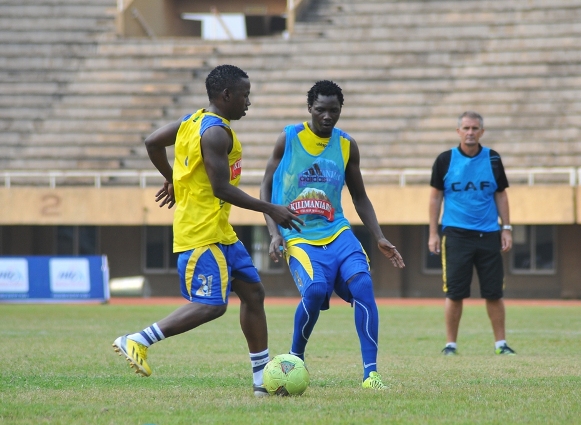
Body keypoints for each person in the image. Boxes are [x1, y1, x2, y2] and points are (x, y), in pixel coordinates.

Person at [112, 64, 303, 397]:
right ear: (227, 95)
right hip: (201, 233)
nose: (248, 102)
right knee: (213, 305)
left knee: (254, 294)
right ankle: (138, 339)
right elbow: (221, 188)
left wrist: (173, 179)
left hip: (221, 231)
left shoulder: (191, 121)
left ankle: (262, 381)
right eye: (245, 95)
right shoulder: (215, 133)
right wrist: (270, 208)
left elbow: (153, 142)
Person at [260, 80, 405, 390]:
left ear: (341, 110)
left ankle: (371, 375)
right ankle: (295, 360)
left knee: (363, 285)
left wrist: (379, 236)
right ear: (309, 108)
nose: (327, 116)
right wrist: (274, 233)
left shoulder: (347, 144)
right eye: (321, 110)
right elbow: (265, 186)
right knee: (314, 291)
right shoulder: (288, 138)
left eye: (334, 110)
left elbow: (360, 196)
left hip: (337, 231)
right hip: (298, 234)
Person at [428, 111, 516, 356]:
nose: (470, 132)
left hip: (489, 234)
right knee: (455, 293)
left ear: (482, 132)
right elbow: (435, 197)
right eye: (466, 128)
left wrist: (506, 228)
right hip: (456, 235)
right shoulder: (445, 160)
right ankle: (450, 345)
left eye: (475, 128)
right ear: (458, 131)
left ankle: (501, 345)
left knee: (494, 292)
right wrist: (433, 233)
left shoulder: (493, 159)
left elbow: (501, 194)